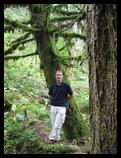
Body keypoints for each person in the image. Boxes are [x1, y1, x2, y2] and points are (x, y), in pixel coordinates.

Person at [48, 70, 73, 144]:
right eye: (57, 75)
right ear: (55, 76)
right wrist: (52, 101)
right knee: (54, 125)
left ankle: (51, 138)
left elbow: (71, 95)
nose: (58, 76)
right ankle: (57, 139)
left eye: (60, 75)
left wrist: (66, 101)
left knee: (57, 125)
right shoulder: (52, 86)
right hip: (53, 107)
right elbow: (50, 95)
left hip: (62, 107)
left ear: (62, 76)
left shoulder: (66, 86)